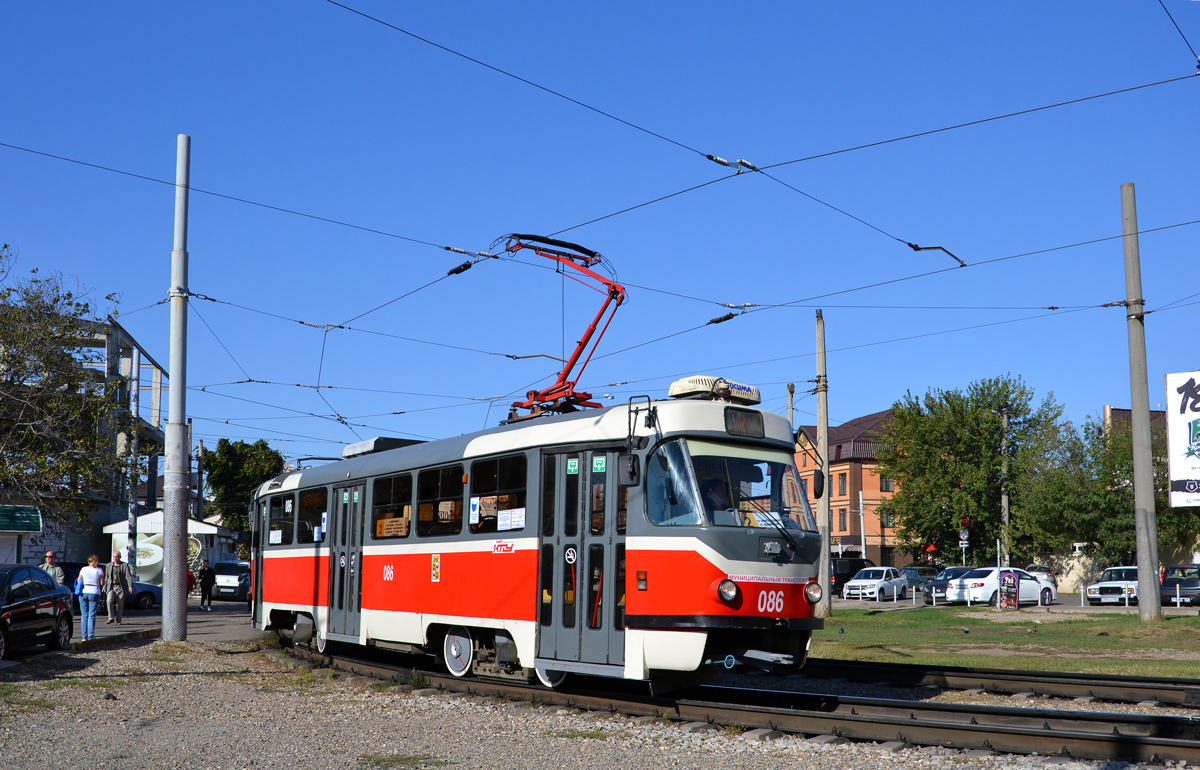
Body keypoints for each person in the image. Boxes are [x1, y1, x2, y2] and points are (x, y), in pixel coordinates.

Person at [78, 555, 104, 641]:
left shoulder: (83, 569)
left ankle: (84, 636)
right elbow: (102, 583)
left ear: (89, 561)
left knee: (84, 615)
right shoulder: (99, 570)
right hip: (95, 591)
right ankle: (91, 635)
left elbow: (79, 580)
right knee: (91, 615)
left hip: (84, 591)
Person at [103, 550, 132, 625]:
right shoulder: (109, 565)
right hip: (111, 586)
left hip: (120, 587)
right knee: (109, 601)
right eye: (114, 557)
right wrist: (104, 586)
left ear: (120, 557)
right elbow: (107, 577)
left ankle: (118, 620)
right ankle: (111, 618)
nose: (115, 558)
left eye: (117, 557)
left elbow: (128, 576)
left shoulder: (124, 565)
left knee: (120, 605)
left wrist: (130, 586)